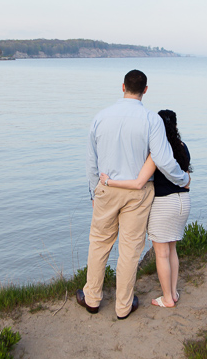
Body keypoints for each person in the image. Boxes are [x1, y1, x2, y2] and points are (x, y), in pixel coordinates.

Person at [80, 70, 190, 319]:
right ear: (146, 90)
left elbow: (91, 161)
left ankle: (92, 299)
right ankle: (123, 306)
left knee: (99, 244)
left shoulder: (100, 117)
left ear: (122, 87)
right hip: (138, 193)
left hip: (107, 189)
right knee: (130, 250)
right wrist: (182, 179)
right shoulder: (151, 119)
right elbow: (163, 159)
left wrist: (94, 191)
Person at [100, 109, 191, 309]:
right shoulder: (183, 147)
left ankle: (167, 298)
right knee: (172, 249)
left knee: (161, 253)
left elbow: (138, 183)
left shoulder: (158, 153)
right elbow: (186, 178)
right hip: (183, 202)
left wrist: (109, 182)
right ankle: (173, 292)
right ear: (175, 126)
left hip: (164, 204)